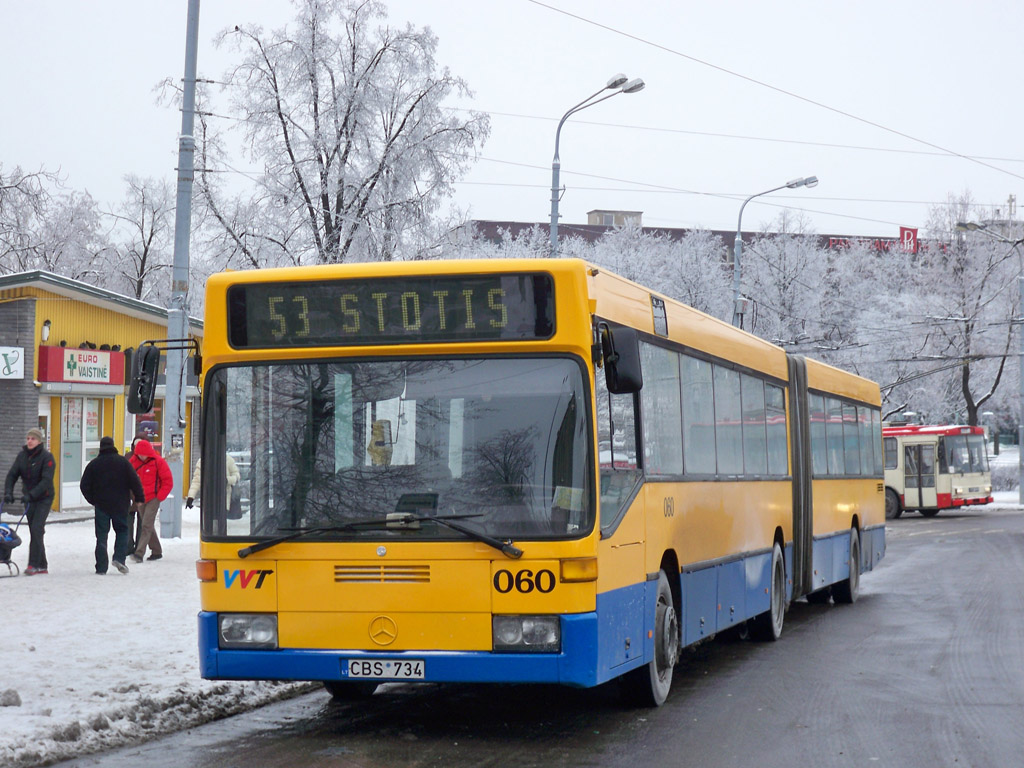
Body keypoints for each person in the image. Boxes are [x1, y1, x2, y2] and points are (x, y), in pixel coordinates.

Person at [80, 436, 145, 575]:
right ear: (113, 446)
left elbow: (84, 485)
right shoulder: (123, 462)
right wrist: (139, 497)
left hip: (101, 505)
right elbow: (135, 481)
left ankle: (101, 567)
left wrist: (93, 500)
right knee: (122, 531)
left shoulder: (94, 464)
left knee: (101, 535)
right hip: (120, 505)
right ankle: (119, 558)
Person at [3, 428, 56, 575]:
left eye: (33, 439)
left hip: (44, 497)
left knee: (37, 528)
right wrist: (8, 492)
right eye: (28, 438)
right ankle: (42, 565)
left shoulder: (47, 458)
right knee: (35, 530)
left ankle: (33, 564)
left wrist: (31, 495)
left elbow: (46, 481)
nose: (29, 441)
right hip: (29, 498)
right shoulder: (22, 457)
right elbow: (12, 475)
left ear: (39, 441)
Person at [127, 438, 172, 563]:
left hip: (154, 498)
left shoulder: (158, 462)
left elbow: (168, 481)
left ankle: (139, 553)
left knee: (146, 524)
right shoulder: (133, 462)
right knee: (148, 525)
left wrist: (160, 496)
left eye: (144, 454)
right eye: (139, 454)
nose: (142, 456)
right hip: (140, 498)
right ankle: (156, 551)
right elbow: (128, 477)